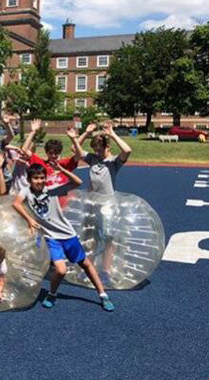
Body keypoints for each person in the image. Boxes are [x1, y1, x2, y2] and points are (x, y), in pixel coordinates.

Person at [12, 163, 115, 312]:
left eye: (42, 178)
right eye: (35, 178)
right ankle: (52, 294)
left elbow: (77, 182)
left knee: (85, 264)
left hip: (68, 234)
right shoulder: (26, 192)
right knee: (61, 270)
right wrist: (29, 219)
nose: (39, 181)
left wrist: (62, 170)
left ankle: (103, 295)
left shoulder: (52, 191)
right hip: (51, 238)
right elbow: (16, 204)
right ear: (29, 179)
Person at [69, 120, 132, 282]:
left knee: (108, 239)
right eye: (96, 148)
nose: (98, 151)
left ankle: (105, 271)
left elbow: (127, 150)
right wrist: (82, 134)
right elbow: (75, 150)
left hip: (108, 206)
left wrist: (112, 134)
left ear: (108, 147)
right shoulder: (93, 159)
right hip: (92, 205)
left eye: (101, 148)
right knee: (90, 237)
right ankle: (89, 268)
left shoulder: (113, 162)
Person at [20, 119, 79, 188]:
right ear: (46, 152)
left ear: (60, 152)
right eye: (50, 153)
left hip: (63, 196)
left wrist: (74, 139)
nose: (53, 156)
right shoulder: (41, 163)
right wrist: (33, 131)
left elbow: (79, 155)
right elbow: (24, 149)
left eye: (56, 153)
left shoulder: (65, 164)